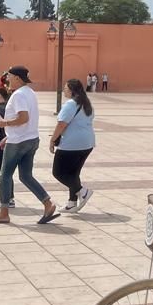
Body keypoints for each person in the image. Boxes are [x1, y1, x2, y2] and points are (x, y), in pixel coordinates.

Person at [0, 66, 57, 226]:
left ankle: (3, 214)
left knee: (4, 177)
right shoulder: (29, 92)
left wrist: (4, 123)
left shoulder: (18, 95)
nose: (7, 79)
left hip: (19, 142)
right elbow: (26, 120)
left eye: (9, 76)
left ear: (17, 78)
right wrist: (8, 136)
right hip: (30, 140)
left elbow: (23, 118)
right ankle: (48, 204)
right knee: (25, 176)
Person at [49, 77, 95, 214]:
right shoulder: (87, 104)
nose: (64, 90)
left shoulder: (70, 104)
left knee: (58, 172)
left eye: (66, 88)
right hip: (87, 143)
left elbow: (61, 124)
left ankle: (82, 191)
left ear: (72, 90)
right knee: (73, 173)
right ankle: (72, 203)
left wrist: (52, 140)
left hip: (71, 144)